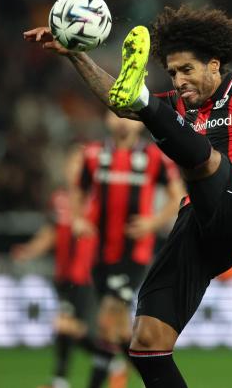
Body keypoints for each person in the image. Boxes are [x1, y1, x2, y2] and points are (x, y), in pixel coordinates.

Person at [24, 5, 232, 387]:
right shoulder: (177, 106)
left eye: (187, 69)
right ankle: (141, 98)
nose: (179, 79)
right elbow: (115, 100)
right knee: (145, 344)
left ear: (214, 65)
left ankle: (142, 99)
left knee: (202, 160)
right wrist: (75, 53)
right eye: (172, 72)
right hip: (197, 226)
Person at [71, 110, 185, 388]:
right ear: (106, 120)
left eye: (127, 117)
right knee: (121, 331)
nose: (120, 121)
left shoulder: (154, 157)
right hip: (100, 253)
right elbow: (78, 190)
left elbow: (177, 194)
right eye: (113, 116)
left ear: (139, 123)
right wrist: (78, 219)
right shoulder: (93, 154)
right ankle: (156, 377)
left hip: (134, 253)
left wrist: (153, 221)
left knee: (108, 318)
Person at [12, 146, 95, 388]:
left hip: (86, 274)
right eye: (71, 164)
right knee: (68, 328)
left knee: (66, 325)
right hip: (64, 273)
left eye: (79, 165)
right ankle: (105, 360)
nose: (73, 170)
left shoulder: (96, 197)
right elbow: (50, 232)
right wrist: (30, 249)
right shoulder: (59, 198)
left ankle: (97, 363)